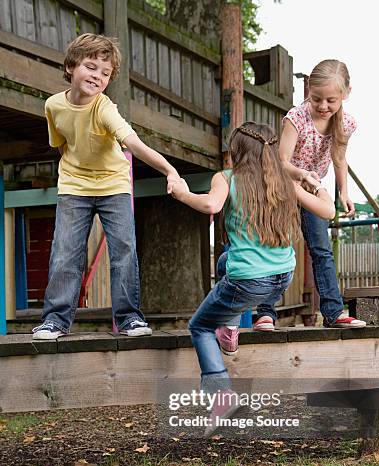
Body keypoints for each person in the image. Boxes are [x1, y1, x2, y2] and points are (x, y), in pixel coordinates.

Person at [170, 122, 335, 436]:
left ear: (236, 151)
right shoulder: (284, 182)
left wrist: (181, 192)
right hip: (281, 278)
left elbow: (210, 204)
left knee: (200, 326)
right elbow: (328, 211)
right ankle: (231, 326)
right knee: (225, 259)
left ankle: (221, 398)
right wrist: (315, 184)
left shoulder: (227, 178)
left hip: (249, 282)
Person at [32, 33, 179, 340]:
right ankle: (55, 320)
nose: (97, 76)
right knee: (65, 253)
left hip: (113, 184)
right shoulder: (53, 106)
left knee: (123, 250)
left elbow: (134, 145)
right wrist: (75, 174)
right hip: (74, 185)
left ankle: (129, 319)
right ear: (72, 66)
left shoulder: (104, 108)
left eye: (105, 73)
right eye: (90, 67)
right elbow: (62, 144)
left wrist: (170, 170)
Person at [253, 59, 366, 332]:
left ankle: (333, 311)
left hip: (311, 191)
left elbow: (339, 158)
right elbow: (281, 161)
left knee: (321, 250)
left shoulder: (346, 123)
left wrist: (344, 192)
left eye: (331, 100)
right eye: (317, 99)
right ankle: (265, 313)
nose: (323, 106)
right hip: (283, 187)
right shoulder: (297, 118)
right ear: (309, 94)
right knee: (276, 245)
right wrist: (302, 176)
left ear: (346, 93)